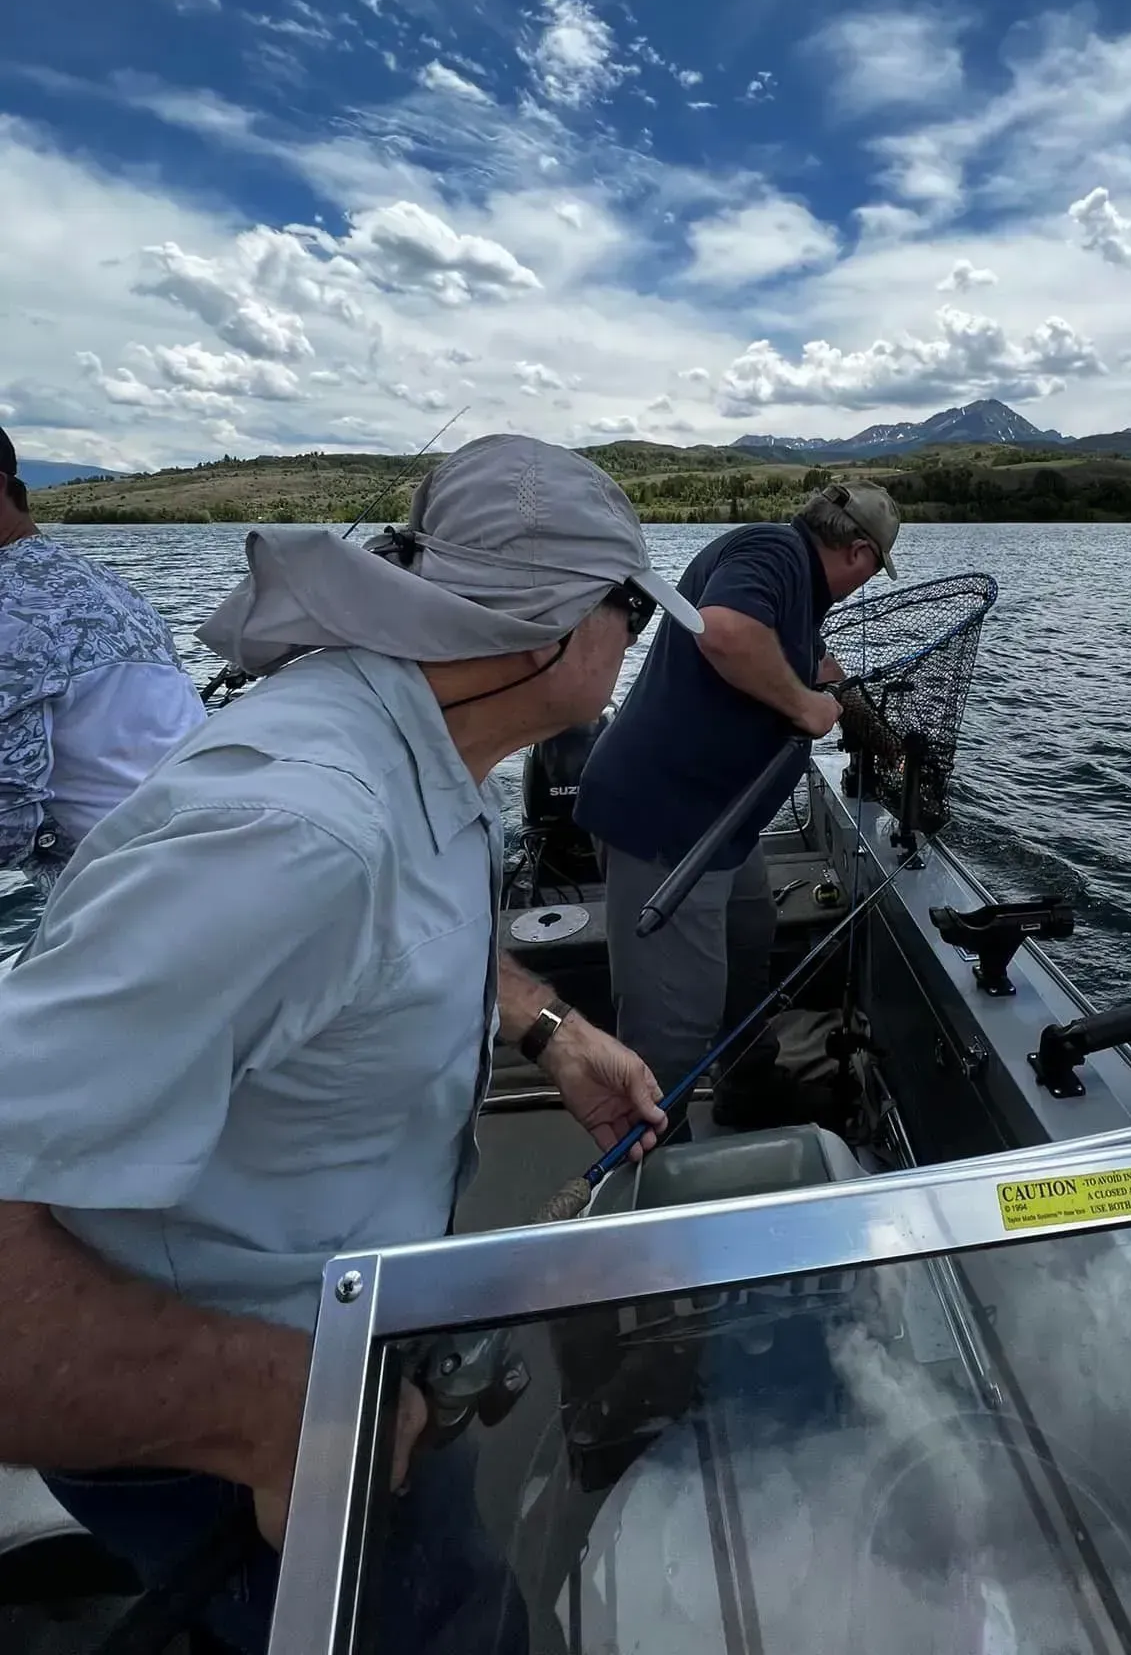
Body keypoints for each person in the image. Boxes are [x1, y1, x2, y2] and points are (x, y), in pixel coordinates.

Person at [0, 433, 702, 1654]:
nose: (630, 644)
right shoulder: (296, 831)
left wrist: (546, 1024)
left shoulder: (404, 734)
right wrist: (275, 1411)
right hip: (227, 1429)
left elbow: (379, 932)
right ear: (553, 627)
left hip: (328, 1364)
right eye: (632, 610)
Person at [576, 479, 900, 1110]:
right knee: (672, 1023)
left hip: (724, 827)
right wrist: (807, 705)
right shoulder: (773, 552)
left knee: (750, 931)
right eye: (872, 569)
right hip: (667, 825)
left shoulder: (794, 581)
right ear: (859, 553)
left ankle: (746, 1084)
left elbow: (805, 656)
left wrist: (860, 713)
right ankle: (656, 1163)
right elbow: (725, 632)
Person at [0, 424, 205, 890]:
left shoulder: (8, 608)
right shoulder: (107, 586)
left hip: (131, 900)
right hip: (210, 856)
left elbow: (7, 823)